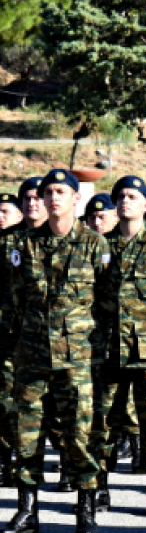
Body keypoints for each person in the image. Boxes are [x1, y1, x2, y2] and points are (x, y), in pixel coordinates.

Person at [1, 170, 110, 533]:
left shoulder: (96, 246)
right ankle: (27, 510)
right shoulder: (24, 245)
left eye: (61, 191)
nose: (52, 198)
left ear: (76, 198)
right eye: (48, 192)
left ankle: (85, 510)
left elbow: (107, 307)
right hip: (31, 359)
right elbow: (15, 302)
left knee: (78, 438)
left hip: (77, 361)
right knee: (26, 437)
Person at [88, 174, 146, 516]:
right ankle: (99, 488)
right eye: (120, 196)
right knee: (103, 422)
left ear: (145, 204)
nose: (125, 201)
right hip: (110, 351)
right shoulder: (100, 246)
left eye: (132, 196)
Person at [0, 190, 25, 485]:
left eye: (5, 211)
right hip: (5, 335)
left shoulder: (24, 244)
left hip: (31, 334)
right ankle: (6, 460)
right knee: (5, 400)